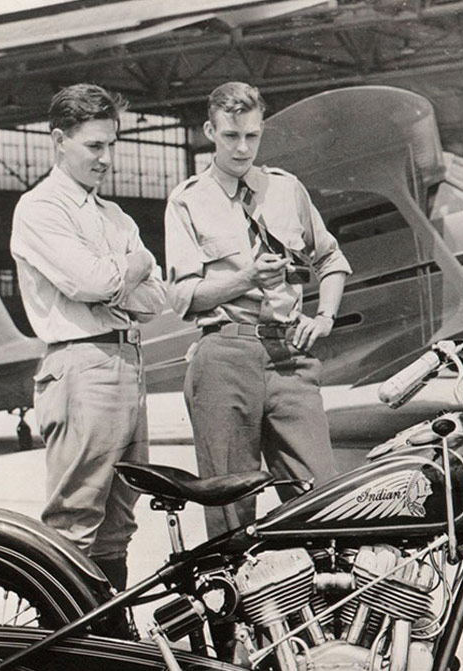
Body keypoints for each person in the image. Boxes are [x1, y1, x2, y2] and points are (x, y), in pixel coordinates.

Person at [165, 81, 352, 537]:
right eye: (231, 136)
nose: (242, 148)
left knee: (323, 501)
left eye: (252, 135)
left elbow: (331, 260)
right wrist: (247, 278)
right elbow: (184, 298)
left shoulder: (287, 190)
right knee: (229, 512)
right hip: (224, 359)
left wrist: (324, 317)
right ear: (210, 131)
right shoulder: (187, 200)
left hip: (290, 359)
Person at [10, 83, 166, 592]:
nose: (106, 158)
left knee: (119, 520)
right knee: (74, 522)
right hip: (80, 366)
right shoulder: (40, 208)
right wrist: (135, 264)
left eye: (111, 145)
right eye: (94, 146)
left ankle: (112, 632)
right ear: (60, 140)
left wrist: (116, 280)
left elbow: (155, 300)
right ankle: (65, 635)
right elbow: (92, 283)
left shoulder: (114, 216)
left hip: (127, 363)